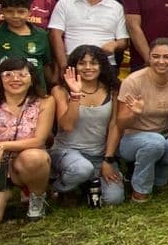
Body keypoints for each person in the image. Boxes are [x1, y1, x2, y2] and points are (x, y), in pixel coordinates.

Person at [0, 56, 56, 228]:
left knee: (35, 157)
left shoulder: (45, 101)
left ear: (32, 79)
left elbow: (39, 139)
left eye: (22, 75)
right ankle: (4, 193)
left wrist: (1, 146)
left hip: (24, 163)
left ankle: (35, 197)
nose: (15, 79)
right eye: (8, 75)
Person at [113, 37, 168, 201]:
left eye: (167, 57)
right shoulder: (133, 81)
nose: (161, 61)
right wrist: (135, 113)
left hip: (161, 135)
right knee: (154, 142)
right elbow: (120, 123)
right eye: (156, 56)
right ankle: (140, 189)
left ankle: (158, 181)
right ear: (149, 57)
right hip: (131, 138)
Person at [49, 45, 124, 205]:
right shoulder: (61, 90)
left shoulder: (113, 90)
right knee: (82, 169)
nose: (88, 67)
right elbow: (67, 126)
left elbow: (114, 125)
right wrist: (75, 95)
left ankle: (84, 184)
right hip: (67, 151)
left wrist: (108, 160)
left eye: (94, 63)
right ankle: (55, 188)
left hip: (99, 154)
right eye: (82, 63)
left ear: (102, 65)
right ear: (74, 66)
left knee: (114, 199)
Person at [47, 0, 128, 72]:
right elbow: (55, 34)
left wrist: (115, 44)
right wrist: (63, 64)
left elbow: (123, 40)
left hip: (105, 64)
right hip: (73, 62)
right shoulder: (65, 2)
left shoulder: (117, 7)